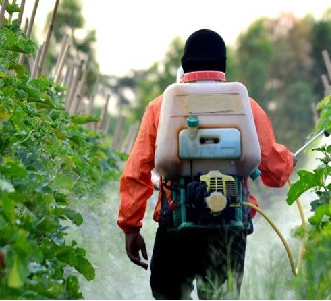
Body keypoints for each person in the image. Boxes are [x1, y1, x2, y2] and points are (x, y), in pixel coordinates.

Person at [118, 29, 295, 300]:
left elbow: (137, 170)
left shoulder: (161, 107)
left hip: (176, 223)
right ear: (222, 65)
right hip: (229, 224)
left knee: (167, 293)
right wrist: (288, 161)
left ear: (185, 64)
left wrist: (131, 227)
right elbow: (275, 170)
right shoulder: (245, 105)